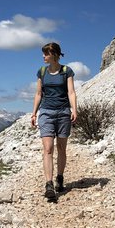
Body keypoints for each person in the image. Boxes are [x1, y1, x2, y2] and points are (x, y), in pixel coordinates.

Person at [31, 42, 77, 201]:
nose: (43, 56)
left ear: (55, 54)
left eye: (46, 54)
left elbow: (71, 92)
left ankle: (60, 177)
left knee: (62, 148)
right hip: (46, 113)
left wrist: (74, 109)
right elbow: (38, 94)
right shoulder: (42, 71)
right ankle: (49, 184)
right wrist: (34, 113)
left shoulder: (66, 71)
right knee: (48, 148)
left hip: (63, 112)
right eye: (43, 54)